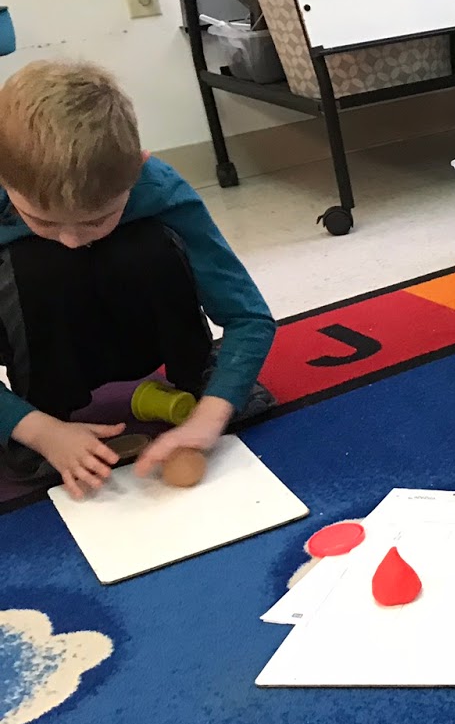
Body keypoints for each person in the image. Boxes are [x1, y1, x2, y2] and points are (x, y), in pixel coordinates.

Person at [0, 61, 275, 498]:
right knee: (32, 263)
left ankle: (199, 372)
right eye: (43, 221)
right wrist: (37, 429)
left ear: (140, 168)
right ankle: (43, 410)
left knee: (150, 243)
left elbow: (249, 316)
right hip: (43, 336)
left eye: (97, 219)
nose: (71, 240)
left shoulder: (161, 188)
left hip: (136, 326)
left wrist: (212, 412)